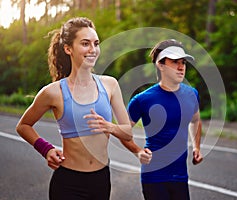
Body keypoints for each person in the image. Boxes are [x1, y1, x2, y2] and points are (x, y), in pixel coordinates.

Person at [16, 17, 132, 200]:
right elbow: (23, 126)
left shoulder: (110, 85)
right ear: (68, 48)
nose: (93, 50)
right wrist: (46, 149)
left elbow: (128, 133)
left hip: (101, 180)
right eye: (85, 44)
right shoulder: (53, 92)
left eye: (96, 43)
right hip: (68, 183)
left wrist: (109, 127)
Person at [121, 39, 203, 200]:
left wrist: (197, 147)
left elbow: (195, 121)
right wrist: (137, 151)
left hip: (180, 176)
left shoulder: (192, 94)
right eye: (174, 62)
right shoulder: (142, 99)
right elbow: (122, 131)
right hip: (154, 177)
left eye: (183, 62)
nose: (181, 67)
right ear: (161, 64)